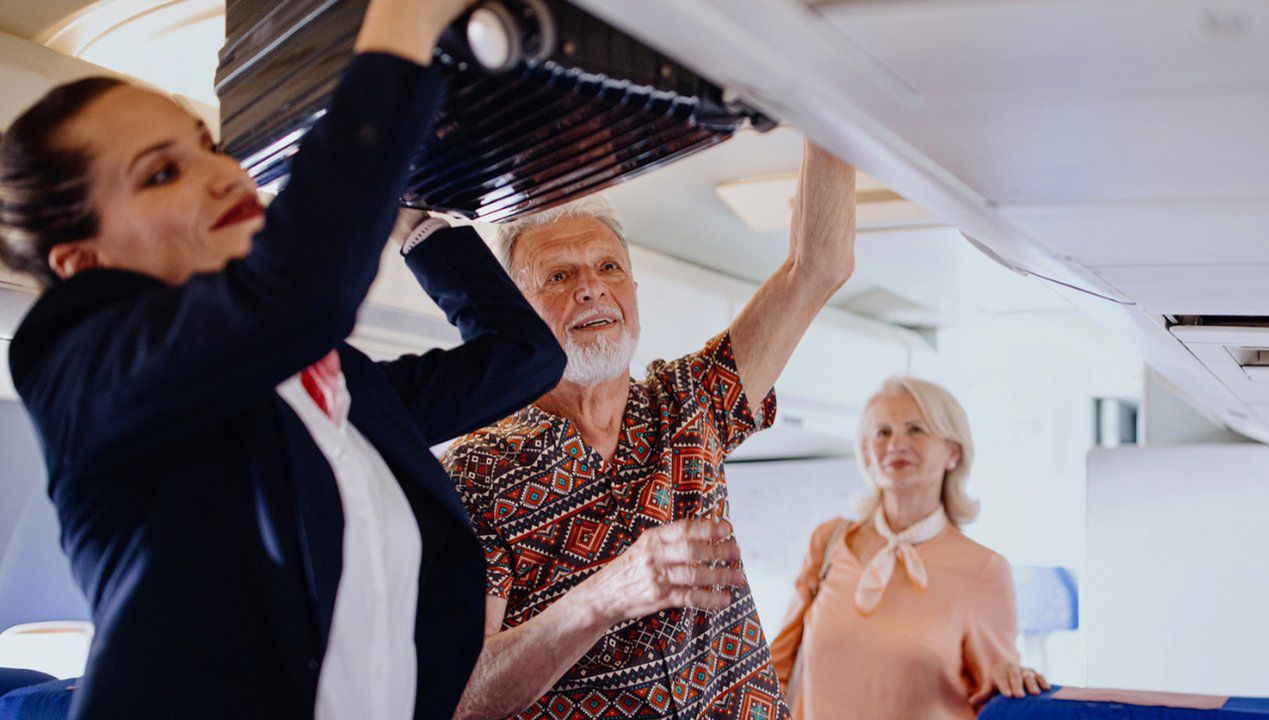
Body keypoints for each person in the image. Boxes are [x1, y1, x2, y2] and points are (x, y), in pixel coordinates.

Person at [0, 0, 567, 716]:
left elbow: (524, 358)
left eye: (205, 145)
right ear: (85, 261)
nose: (220, 173)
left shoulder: (330, 379)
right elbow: (302, 291)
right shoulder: (77, 365)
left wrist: (413, 220)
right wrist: (403, 24)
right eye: (160, 174)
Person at [440, 141, 856, 720]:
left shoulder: (689, 399)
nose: (591, 286)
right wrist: (607, 596)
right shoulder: (475, 471)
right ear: (513, 311)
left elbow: (819, 266)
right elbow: (456, 695)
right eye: (559, 275)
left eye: (609, 266)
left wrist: (826, 92)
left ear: (633, 292)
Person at [769, 376, 1049, 720]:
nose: (896, 444)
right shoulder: (828, 542)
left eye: (916, 429)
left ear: (953, 451)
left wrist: (1016, 679)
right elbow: (774, 675)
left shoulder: (984, 569)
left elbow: (996, 702)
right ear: (867, 454)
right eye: (882, 432)